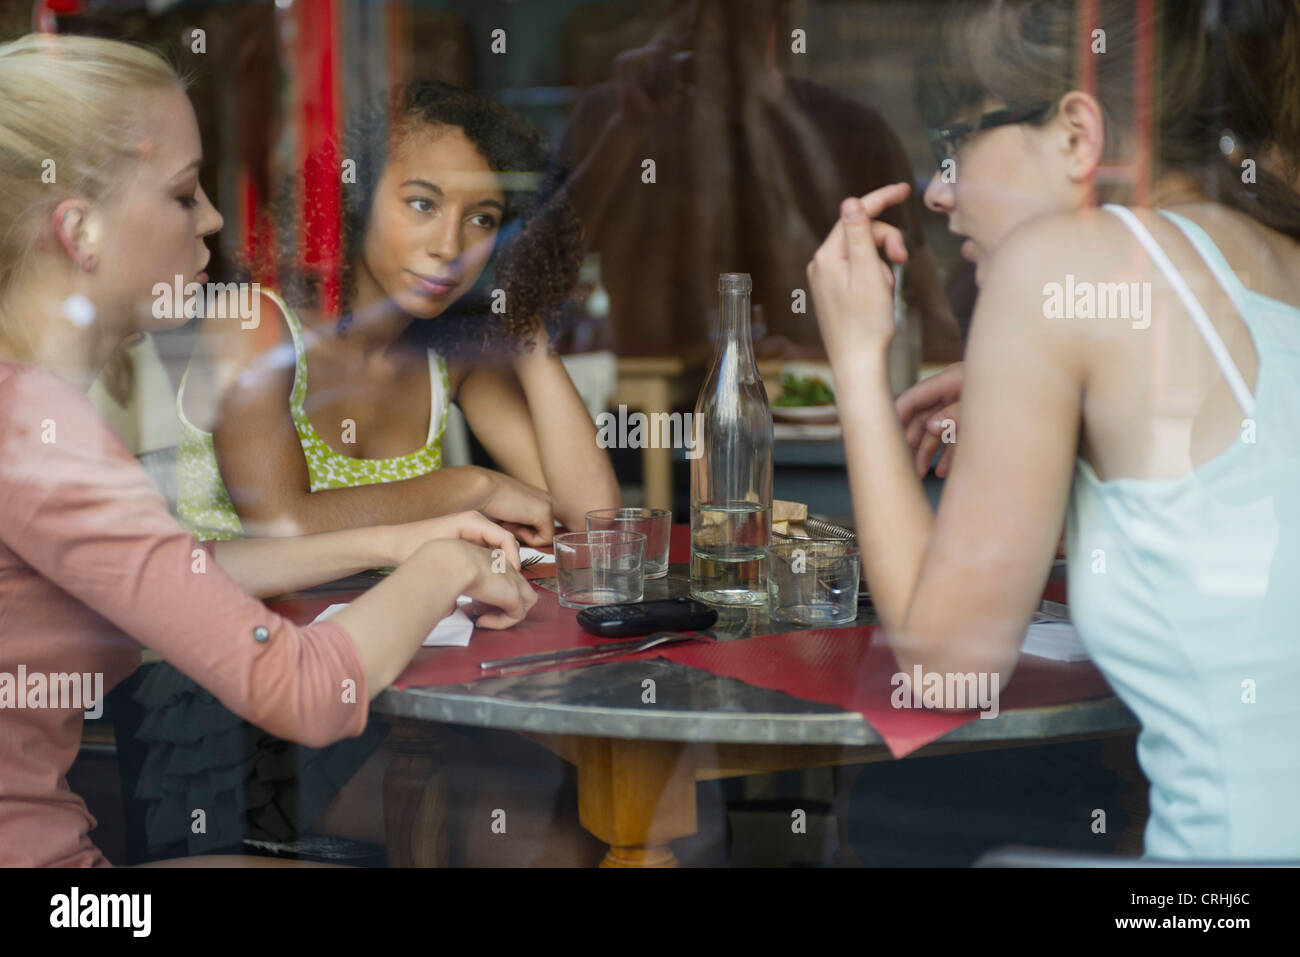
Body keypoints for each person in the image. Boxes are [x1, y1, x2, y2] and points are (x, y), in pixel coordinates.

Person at [0, 32, 537, 867]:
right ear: (81, 231)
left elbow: (169, 572)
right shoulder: (43, 435)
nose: (214, 217)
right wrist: (447, 569)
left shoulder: (29, 410)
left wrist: (389, 542)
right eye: (184, 194)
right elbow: (307, 691)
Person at [810, 0, 1300, 861]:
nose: (937, 189)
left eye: (957, 142)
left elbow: (943, 675)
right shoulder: (1273, 258)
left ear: (1079, 134)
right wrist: (1036, 396)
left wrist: (855, 359)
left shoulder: (1061, 266)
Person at [130, 80, 620, 860]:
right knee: (538, 829)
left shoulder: (447, 352)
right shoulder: (255, 321)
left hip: (383, 676)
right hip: (226, 695)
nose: (450, 243)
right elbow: (283, 520)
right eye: (422, 204)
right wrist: (474, 485)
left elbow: (594, 520)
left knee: (577, 813)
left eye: (483, 220)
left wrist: (522, 319)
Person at [550, 0, 964, 362]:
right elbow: (535, 273)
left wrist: (819, 361)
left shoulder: (854, 131)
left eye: (731, 6)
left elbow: (936, 330)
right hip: (640, 423)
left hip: (818, 433)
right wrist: (624, 131)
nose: (707, 21)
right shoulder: (610, 117)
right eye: (688, 2)